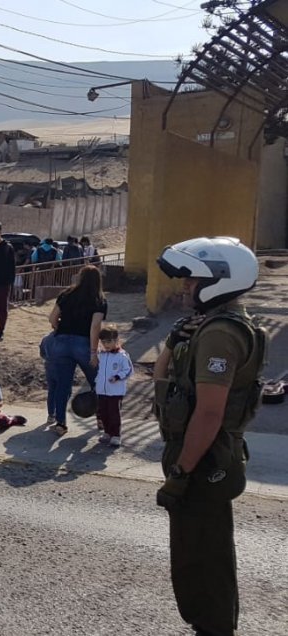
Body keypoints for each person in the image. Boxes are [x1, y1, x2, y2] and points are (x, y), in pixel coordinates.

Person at [153, 237, 264, 636]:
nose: (184, 287)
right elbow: (161, 379)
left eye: (192, 280)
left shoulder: (221, 334)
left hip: (205, 462)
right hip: (196, 457)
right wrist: (175, 340)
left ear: (220, 280)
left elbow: (211, 411)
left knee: (206, 558)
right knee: (192, 554)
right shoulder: (205, 328)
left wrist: (181, 473)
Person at [45, 265, 106, 436]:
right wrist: (94, 352)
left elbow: (52, 317)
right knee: (98, 383)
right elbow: (95, 327)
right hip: (83, 344)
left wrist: (59, 329)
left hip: (61, 342)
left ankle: (60, 423)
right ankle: (101, 419)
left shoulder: (67, 294)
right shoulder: (99, 299)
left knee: (62, 385)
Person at [94, 324, 133, 448]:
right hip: (102, 390)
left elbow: (128, 370)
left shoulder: (122, 356)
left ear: (116, 340)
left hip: (115, 391)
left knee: (114, 413)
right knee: (103, 412)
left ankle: (116, 435)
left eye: (109, 341)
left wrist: (117, 377)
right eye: (103, 342)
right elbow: (100, 371)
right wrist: (97, 382)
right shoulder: (102, 355)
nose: (106, 344)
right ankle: (107, 432)